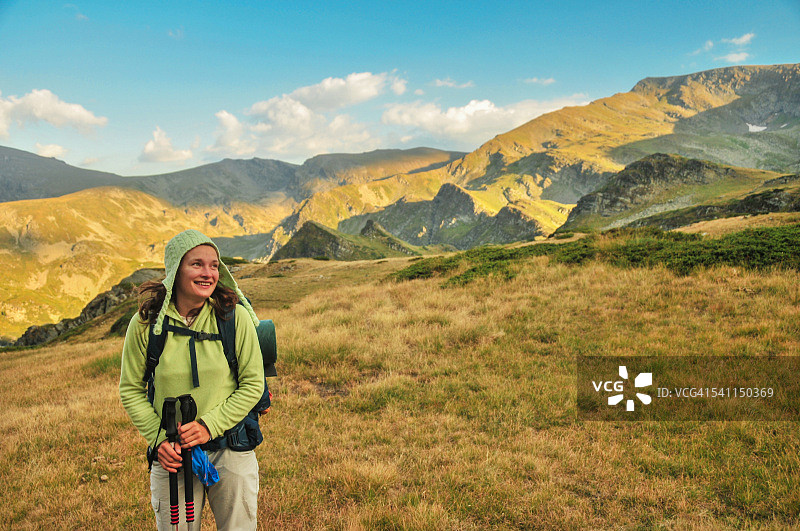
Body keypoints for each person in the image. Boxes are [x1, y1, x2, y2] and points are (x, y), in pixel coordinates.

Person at [119, 229, 264, 530]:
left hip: (230, 445)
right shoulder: (146, 325)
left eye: (214, 265)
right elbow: (131, 390)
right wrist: (158, 440)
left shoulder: (232, 318)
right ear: (175, 270)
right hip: (172, 453)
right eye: (196, 264)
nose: (208, 273)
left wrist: (208, 426)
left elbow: (253, 384)